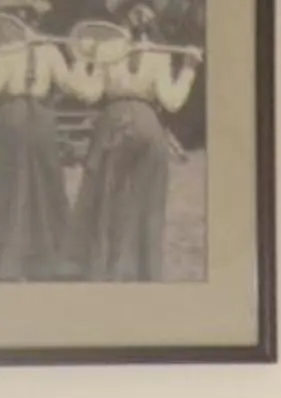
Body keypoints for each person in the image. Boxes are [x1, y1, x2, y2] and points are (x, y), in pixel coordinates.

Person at [0, 3, 93, 281]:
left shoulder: (7, 51)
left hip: (15, 118)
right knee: (41, 183)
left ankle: (7, 262)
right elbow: (77, 87)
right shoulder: (49, 51)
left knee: (9, 183)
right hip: (38, 120)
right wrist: (81, 59)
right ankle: (44, 261)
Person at [67, 5, 198, 283]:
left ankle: (117, 270)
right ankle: (127, 270)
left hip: (124, 127)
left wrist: (188, 67)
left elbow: (89, 93)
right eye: (135, 7)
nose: (140, 15)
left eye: (143, 7)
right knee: (125, 200)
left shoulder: (142, 51)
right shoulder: (130, 50)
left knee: (122, 200)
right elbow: (172, 101)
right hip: (132, 127)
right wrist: (188, 69)